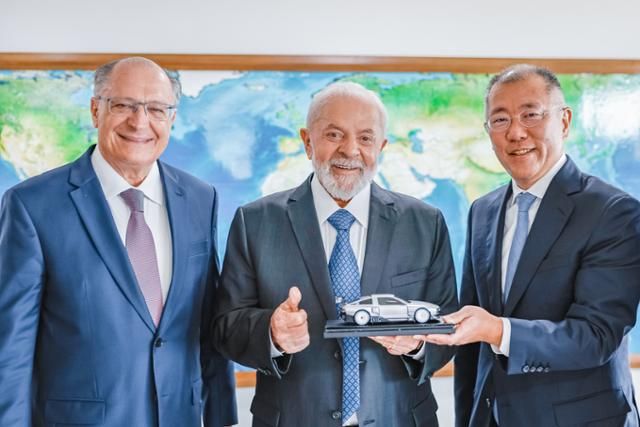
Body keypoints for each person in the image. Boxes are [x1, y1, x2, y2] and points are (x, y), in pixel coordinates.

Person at [0, 57, 237, 426]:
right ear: (96, 110)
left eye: (156, 109)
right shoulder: (32, 205)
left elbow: (208, 327)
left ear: (172, 117)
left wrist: (222, 418)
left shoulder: (199, 198)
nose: (139, 122)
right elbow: (11, 349)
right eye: (124, 105)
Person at [212, 81, 458, 426]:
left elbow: (448, 327)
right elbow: (226, 327)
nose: (350, 150)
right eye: (333, 134)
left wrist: (417, 345)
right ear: (307, 141)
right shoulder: (254, 221)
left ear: (381, 147)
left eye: (366, 138)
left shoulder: (425, 223)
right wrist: (272, 333)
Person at [420, 64, 640, 426]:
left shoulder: (612, 211)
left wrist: (498, 330)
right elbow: (472, 345)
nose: (516, 132)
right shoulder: (483, 210)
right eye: (500, 120)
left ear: (564, 121)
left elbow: (597, 336)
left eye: (531, 115)